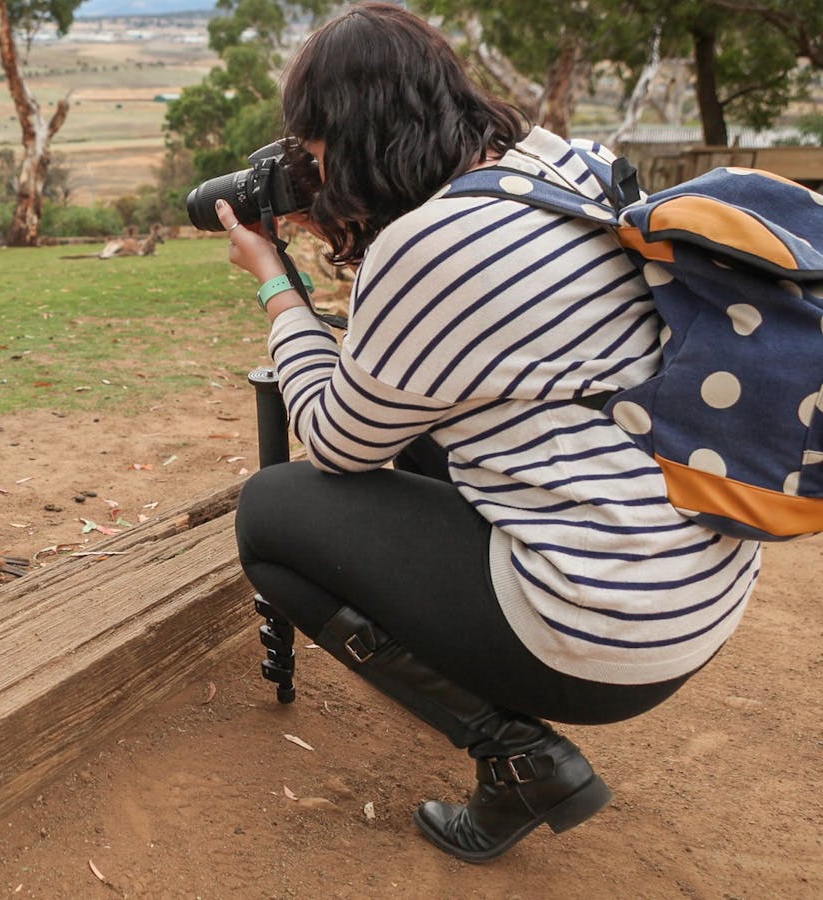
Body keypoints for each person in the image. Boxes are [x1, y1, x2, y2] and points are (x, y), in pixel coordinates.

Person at [220, 3, 759, 864]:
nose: (313, 173)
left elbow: (330, 440)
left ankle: (515, 756)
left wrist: (276, 286)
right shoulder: (565, 165)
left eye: (317, 152)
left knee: (274, 515)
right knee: (425, 436)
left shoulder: (429, 247)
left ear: (353, 139)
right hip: (698, 596)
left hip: (602, 635)